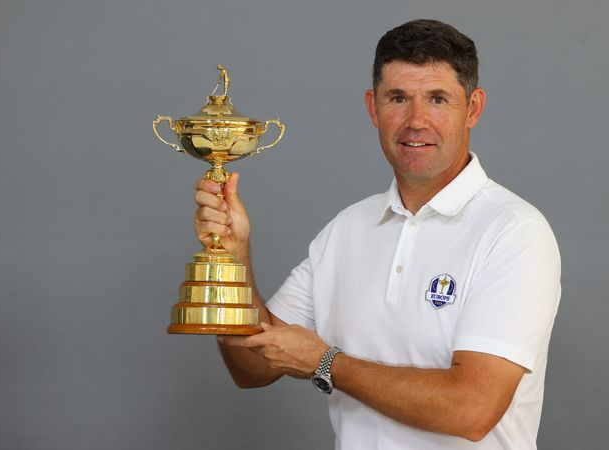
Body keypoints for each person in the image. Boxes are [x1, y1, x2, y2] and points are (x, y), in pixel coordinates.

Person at [193, 19, 561, 450]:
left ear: (473, 108)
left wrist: (325, 363)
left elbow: (471, 410)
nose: (416, 121)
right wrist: (233, 257)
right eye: (398, 98)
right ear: (373, 108)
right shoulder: (347, 229)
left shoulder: (514, 232)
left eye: (438, 99)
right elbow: (251, 368)